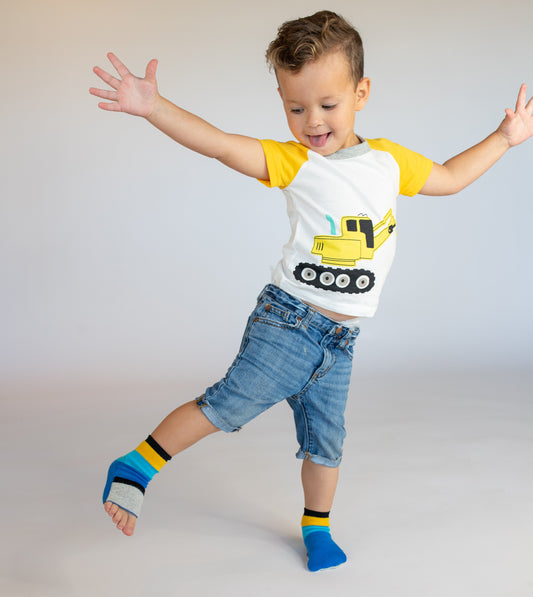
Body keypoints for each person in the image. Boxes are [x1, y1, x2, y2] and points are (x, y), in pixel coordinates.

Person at [90, 10, 532, 572]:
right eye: (296, 108)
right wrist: (155, 107)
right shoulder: (295, 162)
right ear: (282, 100)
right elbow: (221, 144)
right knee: (228, 404)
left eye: (328, 104)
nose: (312, 121)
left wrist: (504, 138)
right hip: (289, 323)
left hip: (341, 340)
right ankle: (137, 464)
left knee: (327, 443)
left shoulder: (388, 161)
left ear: (361, 93)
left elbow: (449, 177)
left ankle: (316, 526)